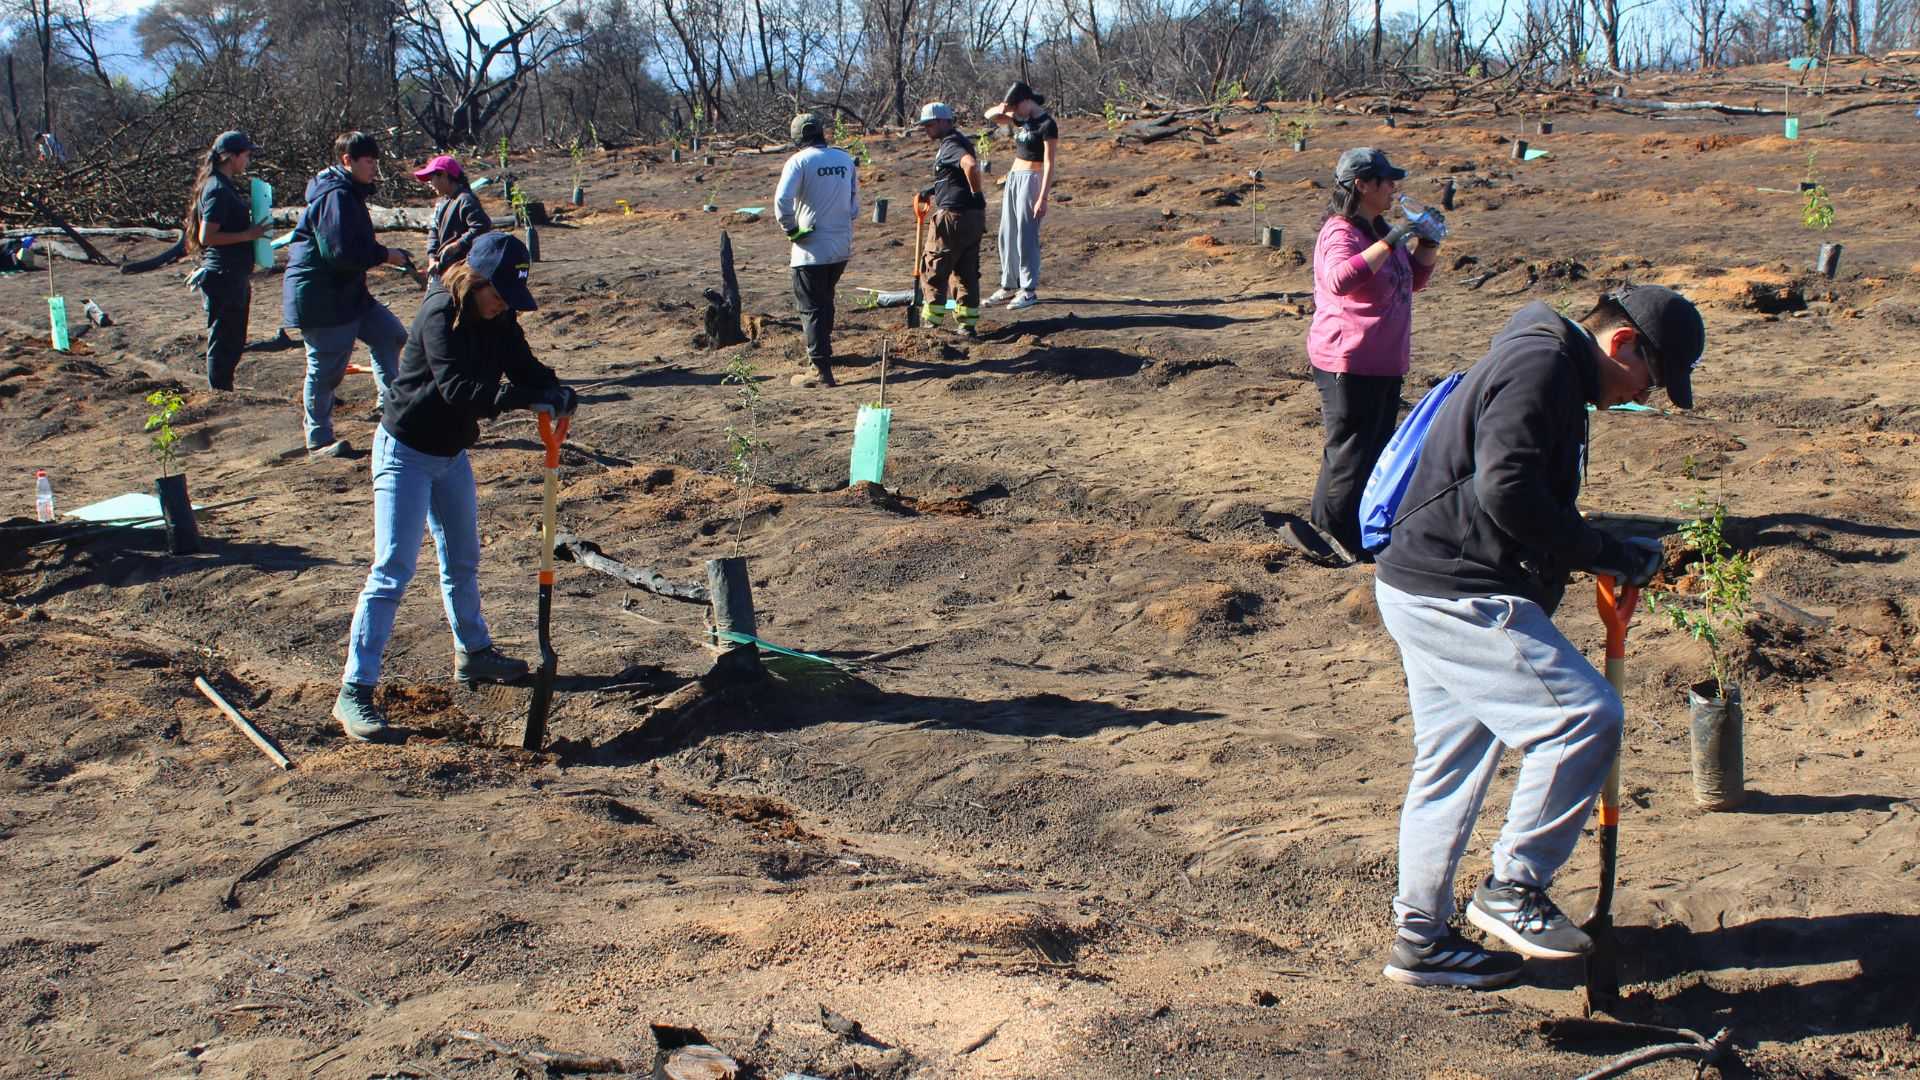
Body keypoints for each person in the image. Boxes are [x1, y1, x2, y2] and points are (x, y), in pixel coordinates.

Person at [1372, 285, 1705, 989]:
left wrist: (1596, 550)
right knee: (1585, 717)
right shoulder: (1543, 367)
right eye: (1652, 379)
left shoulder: (1548, 364)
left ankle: (1421, 941)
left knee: (1451, 765)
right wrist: (1602, 550)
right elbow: (1509, 491)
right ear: (1623, 345)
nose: (1645, 395)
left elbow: (1522, 494)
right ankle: (1513, 888)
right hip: (1459, 593)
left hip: (1426, 581)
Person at [332, 232, 576, 743]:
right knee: (393, 567)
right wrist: (524, 398)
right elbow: (458, 390)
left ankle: (474, 653)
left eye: (511, 297)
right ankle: (354, 690)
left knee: (462, 558)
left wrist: (554, 389)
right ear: (476, 281)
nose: (504, 305)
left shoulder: (499, 316)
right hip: (405, 452)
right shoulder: (439, 314)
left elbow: (525, 366)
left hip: (450, 454)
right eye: (499, 294)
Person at [1300, 147, 1437, 564]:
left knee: (1374, 450)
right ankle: (1328, 533)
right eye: (1387, 180)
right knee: (1349, 453)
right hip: (1348, 360)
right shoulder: (1339, 232)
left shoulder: (1376, 229)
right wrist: (1396, 237)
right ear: (1362, 184)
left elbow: (1411, 281)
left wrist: (1428, 241)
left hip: (1383, 362)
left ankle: (1352, 532)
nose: (1394, 187)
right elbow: (1341, 280)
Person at [283, 130, 414, 459]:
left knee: (390, 335)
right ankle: (319, 439)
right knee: (326, 370)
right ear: (347, 161)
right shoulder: (335, 197)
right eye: (369, 161)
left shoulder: (348, 193)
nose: (374, 167)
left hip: (348, 293)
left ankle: (393, 412)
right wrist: (384, 255)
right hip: (321, 297)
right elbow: (340, 253)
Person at [773, 112, 858, 386]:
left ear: (797, 137)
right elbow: (855, 205)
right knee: (825, 303)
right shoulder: (845, 159)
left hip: (810, 251)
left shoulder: (798, 161)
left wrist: (792, 230)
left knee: (811, 308)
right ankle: (823, 357)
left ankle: (819, 370)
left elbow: (782, 202)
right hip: (840, 248)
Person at [182, 131, 267, 392]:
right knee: (224, 338)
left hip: (233, 273)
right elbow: (206, 236)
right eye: (246, 155)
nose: (248, 160)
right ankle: (218, 393)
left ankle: (223, 388)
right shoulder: (218, 189)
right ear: (231, 156)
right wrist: (247, 235)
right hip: (223, 274)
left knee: (234, 337)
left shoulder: (224, 184)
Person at [913, 102, 987, 337]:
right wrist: (932, 190)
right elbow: (954, 178)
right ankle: (967, 324)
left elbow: (971, 167)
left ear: (945, 121)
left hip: (953, 216)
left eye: (930, 124)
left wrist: (975, 192)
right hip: (973, 217)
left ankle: (931, 326)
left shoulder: (951, 144)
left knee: (934, 266)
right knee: (965, 270)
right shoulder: (961, 141)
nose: (927, 129)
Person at [982, 81, 1057, 310]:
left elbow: (1049, 162)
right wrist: (1005, 106)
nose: (1013, 113)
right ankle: (1008, 284)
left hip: (1032, 178)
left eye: (1016, 106)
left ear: (1026, 101)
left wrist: (1042, 197)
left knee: (1026, 235)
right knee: (1007, 232)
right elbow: (990, 115)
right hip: (1014, 177)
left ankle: (1028, 289)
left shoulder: (1046, 124)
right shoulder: (1022, 119)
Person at [414, 154, 490, 282]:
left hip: (465, 270)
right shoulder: (442, 202)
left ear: (443, 175)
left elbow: (482, 226)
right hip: (444, 267)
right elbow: (434, 231)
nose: (430, 184)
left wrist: (457, 245)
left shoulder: (465, 199)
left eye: (431, 178)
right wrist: (432, 258)